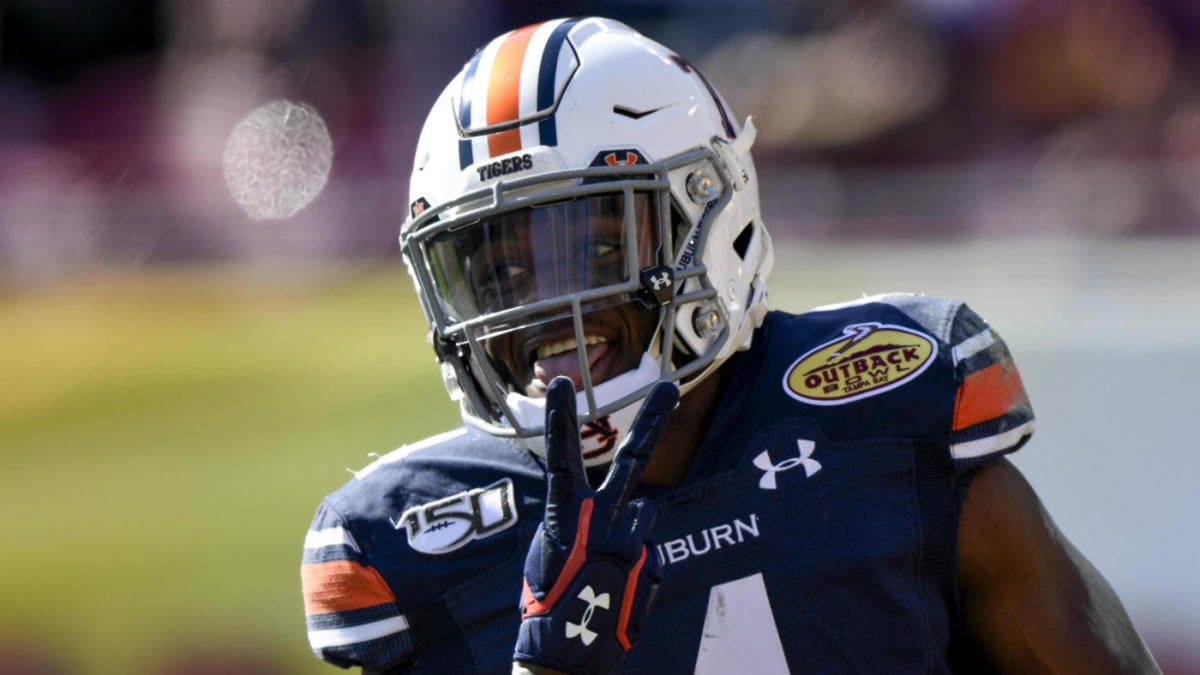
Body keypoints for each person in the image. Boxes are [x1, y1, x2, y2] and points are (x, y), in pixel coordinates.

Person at [300, 16, 1161, 674]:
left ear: (711, 216)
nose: (543, 311)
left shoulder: (894, 413)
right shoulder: (406, 546)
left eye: (597, 249)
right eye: (499, 276)